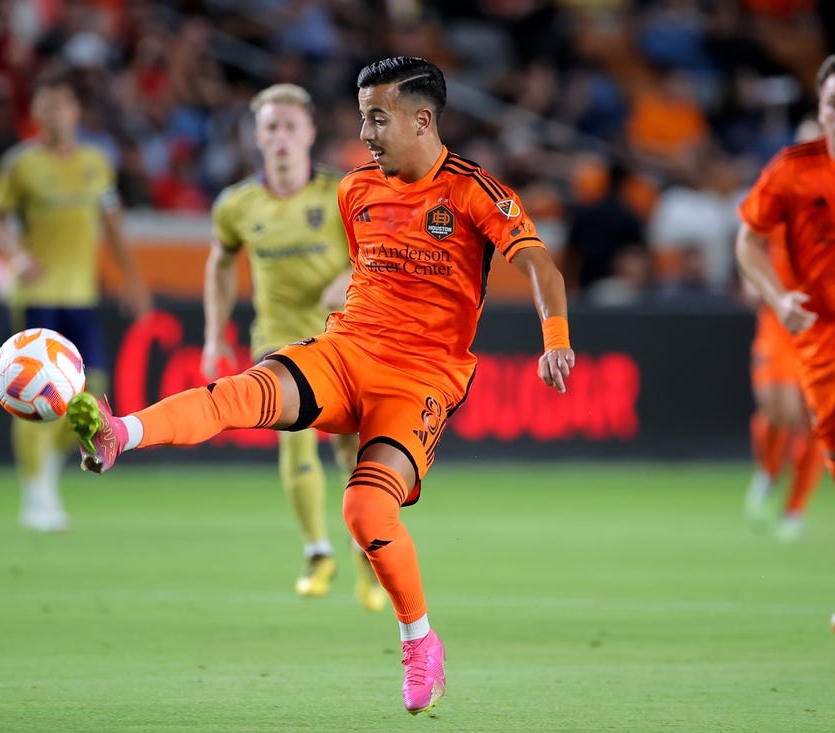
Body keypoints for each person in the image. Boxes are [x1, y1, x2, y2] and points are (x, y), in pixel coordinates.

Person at [67, 57, 575, 714]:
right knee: (239, 393)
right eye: (363, 116)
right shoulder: (356, 191)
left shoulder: (477, 191)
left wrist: (556, 338)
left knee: (365, 512)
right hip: (346, 350)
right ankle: (119, 432)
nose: (364, 132)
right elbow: (367, 273)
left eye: (377, 118)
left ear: (423, 119)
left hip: (421, 378)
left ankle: (420, 640)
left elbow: (540, 265)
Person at [203, 83, 386, 611]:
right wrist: (215, 335)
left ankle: (364, 556)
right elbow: (218, 264)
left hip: (344, 336)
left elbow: (380, 251)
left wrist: (350, 276)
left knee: (353, 450)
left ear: (308, 132)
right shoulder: (237, 205)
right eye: (270, 127)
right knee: (294, 434)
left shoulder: (340, 191)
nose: (281, 136)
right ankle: (316, 551)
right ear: (257, 136)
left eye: (290, 126)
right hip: (279, 339)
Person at [0, 70, 151, 532]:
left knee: (88, 394)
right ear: (35, 112)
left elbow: (114, 227)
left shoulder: (98, 163)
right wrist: (17, 254)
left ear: (77, 111)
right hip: (34, 297)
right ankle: (34, 493)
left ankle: (47, 475)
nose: (54, 111)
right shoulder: (20, 164)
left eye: (62, 102)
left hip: (81, 296)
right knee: (30, 398)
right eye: (46, 103)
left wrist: (134, 282)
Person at [735, 55, 835, 624]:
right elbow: (748, 240)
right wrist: (770, 293)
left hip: (817, 319)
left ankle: (795, 508)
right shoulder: (789, 183)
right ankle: (768, 473)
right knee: (779, 412)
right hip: (790, 316)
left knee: (806, 419)